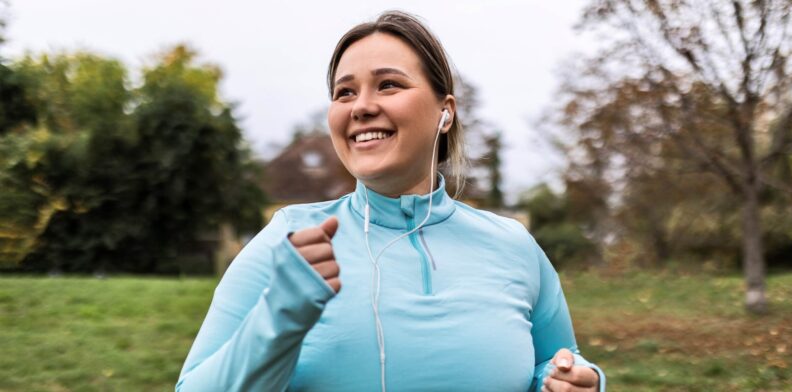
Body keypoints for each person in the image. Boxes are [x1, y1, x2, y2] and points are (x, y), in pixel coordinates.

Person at [177, 10, 605, 392]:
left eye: (388, 85)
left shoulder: (514, 246)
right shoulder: (289, 240)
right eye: (344, 93)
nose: (361, 107)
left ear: (446, 111)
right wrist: (278, 318)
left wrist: (575, 379)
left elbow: (554, 361)